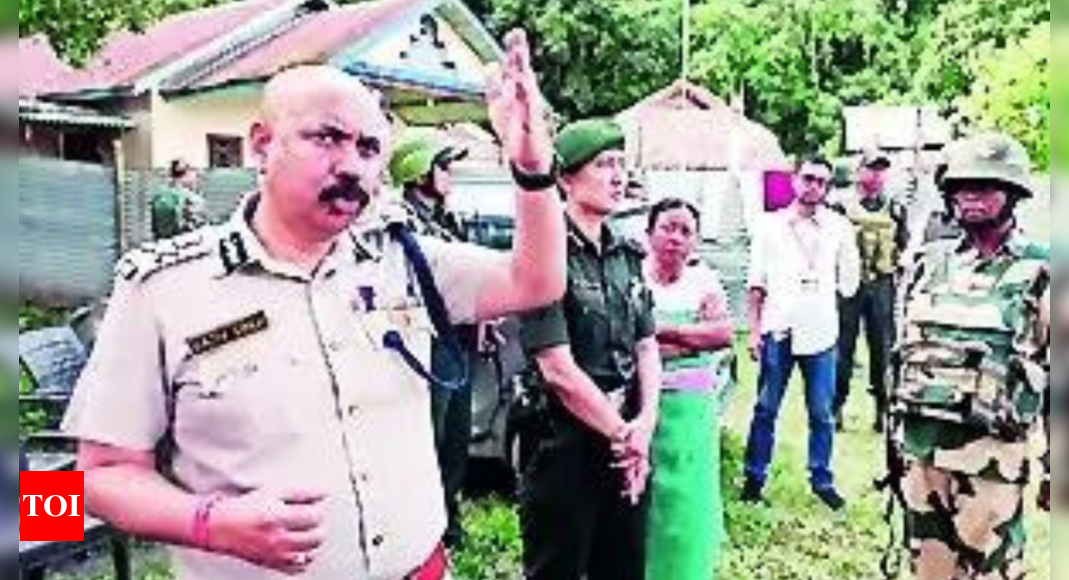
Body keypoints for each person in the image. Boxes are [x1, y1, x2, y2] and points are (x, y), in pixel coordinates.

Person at [61, 30, 566, 580]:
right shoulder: (165, 288)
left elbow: (534, 281)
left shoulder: (404, 258)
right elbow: (100, 473)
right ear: (261, 143)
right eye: (327, 138)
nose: (352, 166)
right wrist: (211, 521)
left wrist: (533, 169)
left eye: (369, 148)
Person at [890, 133, 1050, 580]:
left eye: (985, 186)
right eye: (962, 186)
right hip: (923, 456)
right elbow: (904, 358)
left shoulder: (1042, 269)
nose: (971, 196)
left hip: (993, 462)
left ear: (1014, 194)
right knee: (929, 572)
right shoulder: (928, 263)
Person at [518, 118, 662, 580]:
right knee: (556, 567)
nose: (618, 175)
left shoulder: (626, 254)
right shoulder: (544, 253)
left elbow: (646, 345)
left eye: (621, 163)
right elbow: (557, 368)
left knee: (622, 565)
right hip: (564, 439)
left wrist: (644, 425)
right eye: (603, 164)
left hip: (626, 435)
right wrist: (624, 436)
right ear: (565, 178)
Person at [742, 155, 860, 510]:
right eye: (808, 179)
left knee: (821, 412)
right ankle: (753, 478)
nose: (814, 187)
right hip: (779, 327)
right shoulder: (770, 225)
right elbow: (756, 282)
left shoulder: (839, 227)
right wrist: (753, 331)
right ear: (795, 181)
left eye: (822, 182)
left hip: (821, 330)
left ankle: (821, 479)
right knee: (765, 408)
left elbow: (850, 282)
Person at [388, 128, 476, 547]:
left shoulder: (449, 219)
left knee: (456, 438)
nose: (450, 174)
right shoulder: (400, 223)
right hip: (424, 342)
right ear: (419, 171)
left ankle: (448, 519)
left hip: (457, 338)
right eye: (444, 166)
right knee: (429, 437)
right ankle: (425, 527)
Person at [642, 198, 734, 580]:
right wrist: (690, 339)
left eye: (685, 232)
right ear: (649, 233)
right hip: (645, 407)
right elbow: (632, 344)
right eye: (668, 228)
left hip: (693, 411)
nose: (675, 239)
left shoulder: (704, 281)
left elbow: (723, 334)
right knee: (650, 500)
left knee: (689, 502)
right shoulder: (634, 279)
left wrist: (662, 333)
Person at [833, 150, 909, 433]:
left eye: (881, 170)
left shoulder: (896, 208)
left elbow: (902, 244)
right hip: (848, 286)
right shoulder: (841, 207)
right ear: (859, 172)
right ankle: (836, 407)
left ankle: (883, 410)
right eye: (871, 169)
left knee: (883, 350)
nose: (876, 175)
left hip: (881, 285)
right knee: (842, 349)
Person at [151, 158, 207, 240]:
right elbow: (197, 226)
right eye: (195, 175)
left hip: (162, 243)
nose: (196, 179)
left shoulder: (159, 194)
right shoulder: (193, 198)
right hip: (184, 244)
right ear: (187, 174)